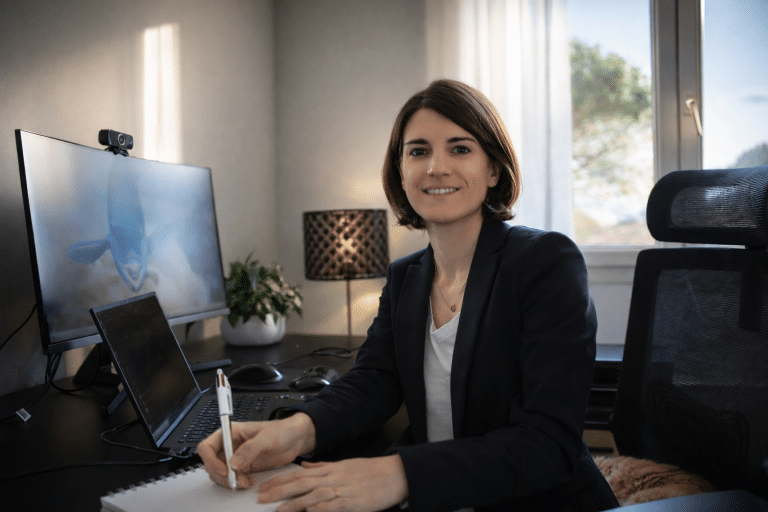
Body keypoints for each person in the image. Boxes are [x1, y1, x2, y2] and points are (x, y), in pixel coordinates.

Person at [198, 79, 619, 512]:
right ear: (401, 173)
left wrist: (400, 474)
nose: (436, 167)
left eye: (460, 149)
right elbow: (374, 382)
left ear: (493, 170)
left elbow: (548, 443)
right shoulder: (406, 277)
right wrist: (296, 431)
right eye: (418, 151)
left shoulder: (545, 261)